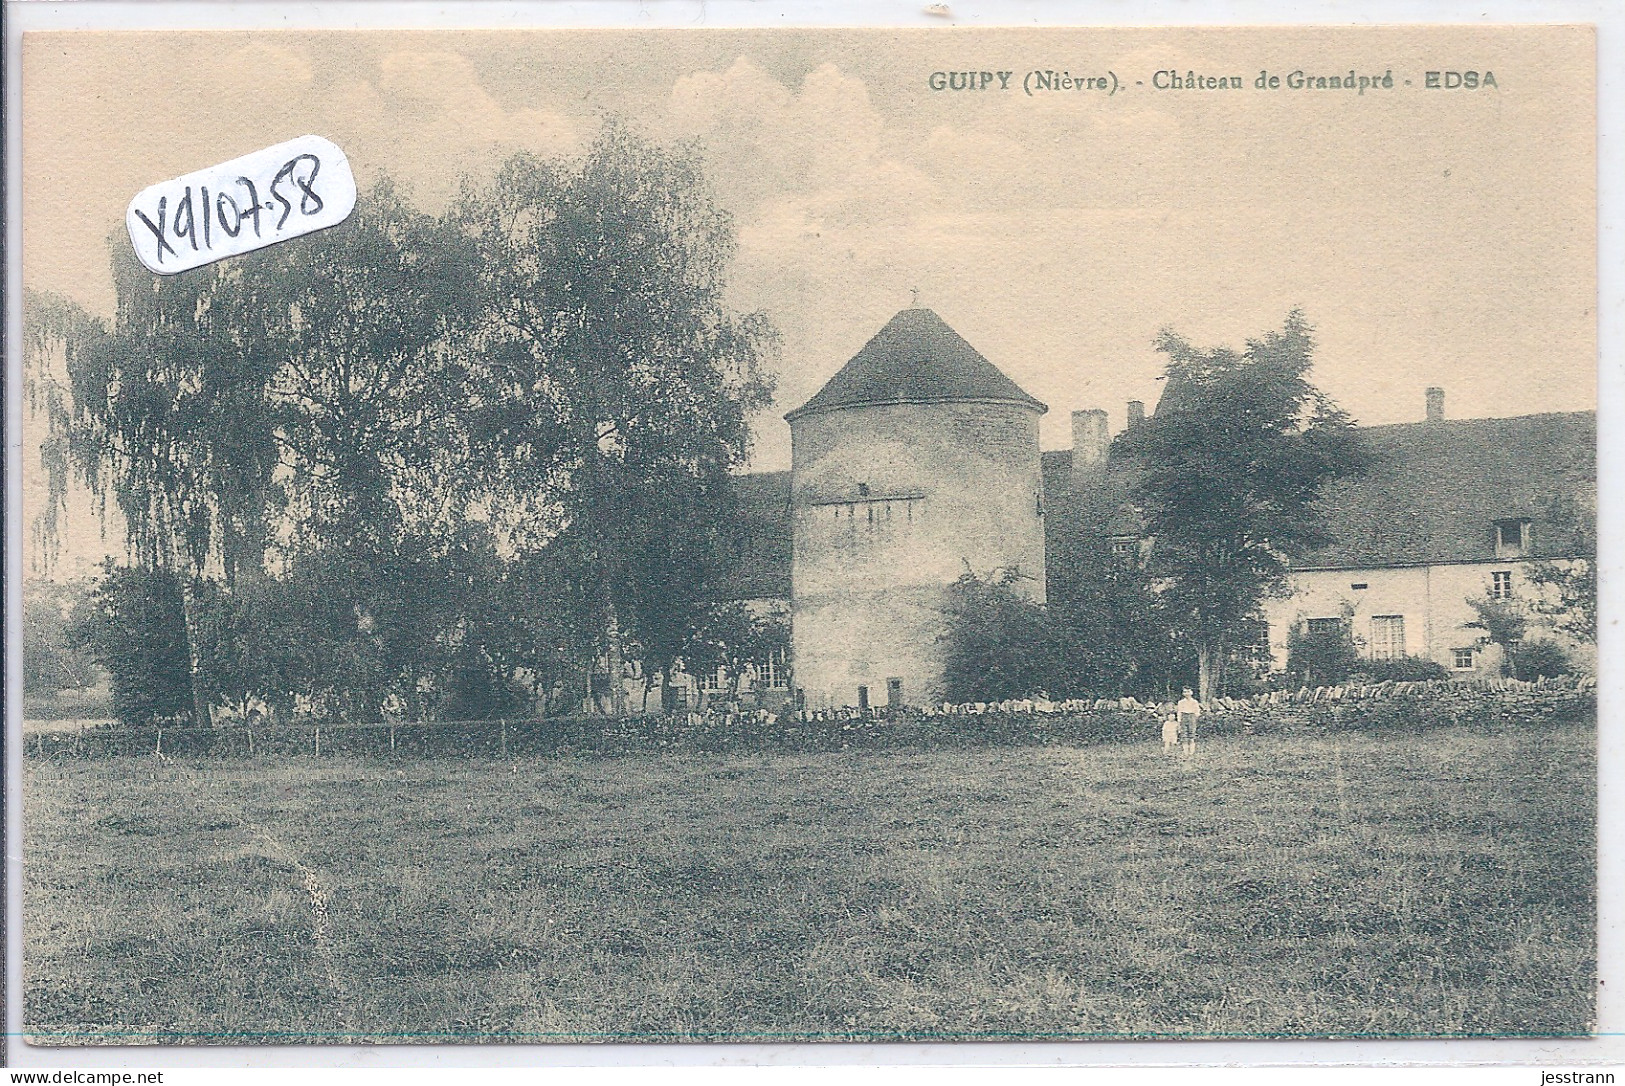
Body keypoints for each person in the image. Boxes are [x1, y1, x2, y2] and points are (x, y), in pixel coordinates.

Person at [1176, 687, 1202, 756]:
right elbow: (1179, 711)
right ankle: (1185, 752)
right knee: (1184, 735)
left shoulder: (1194, 702)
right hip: (1184, 717)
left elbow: (1197, 711)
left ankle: (1191, 752)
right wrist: (1179, 720)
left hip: (1192, 716)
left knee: (1192, 734)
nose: (1187, 693)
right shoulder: (1181, 702)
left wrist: (1194, 717)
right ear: (1183, 693)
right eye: (1185, 692)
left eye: (1188, 691)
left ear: (1191, 692)